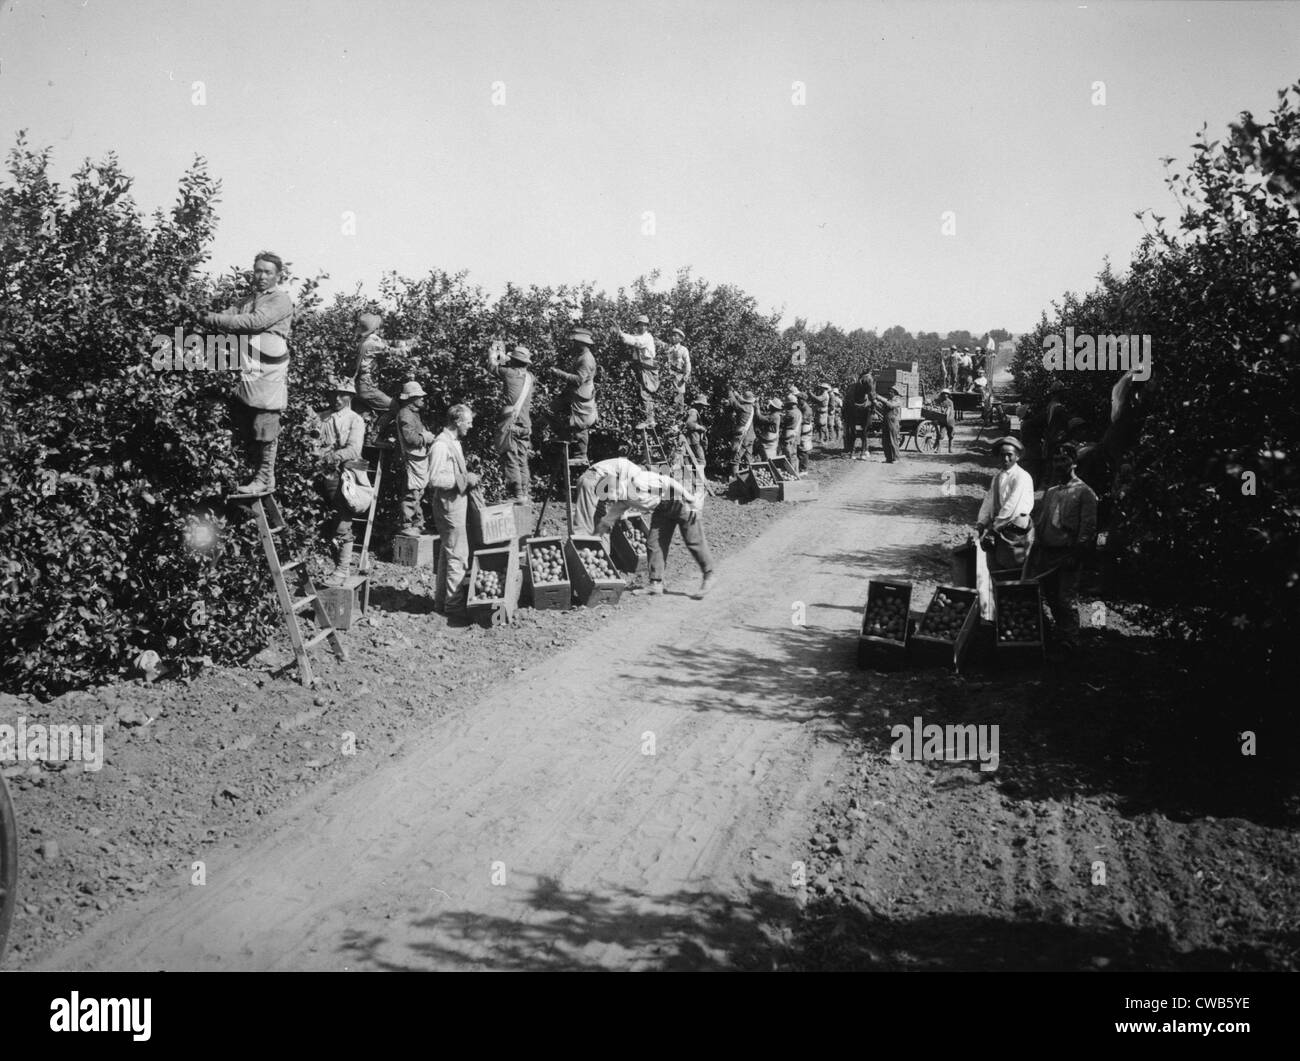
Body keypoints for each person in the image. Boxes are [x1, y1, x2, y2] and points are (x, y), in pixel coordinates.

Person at [194, 251, 294, 494]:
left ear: (278, 276)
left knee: (266, 417)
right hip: (247, 364)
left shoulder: (280, 300)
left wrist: (208, 318)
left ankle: (265, 477)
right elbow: (231, 315)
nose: (261, 276)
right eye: (258, 271)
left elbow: (253, 322)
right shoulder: (247, 300)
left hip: (268, 365)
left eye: (268, 272)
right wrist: (198, 315)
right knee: (243, 417)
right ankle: (250, 472)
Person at [591, 465, 713, 598]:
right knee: (653, 543)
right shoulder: (622, 501)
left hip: (680, 501)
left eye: (613, 493)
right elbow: (606, 522)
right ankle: (655, 584)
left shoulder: (638, 481)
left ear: (618, 485)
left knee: (693, 540)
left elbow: (669, 481)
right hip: (661, 508)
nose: (613, 498)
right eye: (610, 497)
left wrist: (690, 498)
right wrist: (592, 542)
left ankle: (709, 576)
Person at [1024, 443, 1098, 650]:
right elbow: (1042, 521)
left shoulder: (1085, 493)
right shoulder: (1052, 492)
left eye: (1064, 460)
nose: (1059, 465)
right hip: (1047, 554)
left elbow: (1088, 528)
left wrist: (1077, 553)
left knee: (1066, 599)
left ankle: (1071, 641)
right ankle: (1059, 635)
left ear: (1074, 463)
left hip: (1067, 554)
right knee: (1051, 597)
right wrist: (1036, 546)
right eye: (1056, 460)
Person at [428, 403, 482, 616]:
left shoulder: (454, 443)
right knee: (458, 555)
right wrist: (464, 478)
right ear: (457, 421)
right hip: (448, 506)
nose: (470, 426)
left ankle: (442, 604)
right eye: (468, 422)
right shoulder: (440, 446)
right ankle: (454, 606)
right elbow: (434, 479)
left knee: (448, 554)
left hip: (455, 505)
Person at [314, 378, 367, 584]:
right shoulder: (321, 418)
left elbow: (354, 449)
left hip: (343, 475)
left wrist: (330, 456)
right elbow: (311, 442)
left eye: (342, 394)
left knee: (343, 521)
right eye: (333, 394)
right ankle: (336, 565)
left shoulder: (355, 420)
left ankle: (342, 568)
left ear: (350, 396)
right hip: (321, 475)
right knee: (325, 522)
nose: (337, 398)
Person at [976, 436, 1035, 572]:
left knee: (1012, 569)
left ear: (1017, 457)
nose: (1006, 459)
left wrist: (993, 529)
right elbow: (989, 501)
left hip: (1014, 530)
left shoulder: (1021, 476)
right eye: (1002, 455)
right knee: (995, 567)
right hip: (997, 528)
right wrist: (981, 523)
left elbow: (1012, 506)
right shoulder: (998, 477)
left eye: (1009, 455)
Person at [486, 343, 536, 502]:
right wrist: (506, 355)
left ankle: (516, 494)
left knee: (511, 459)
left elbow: (492, 365)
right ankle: (524, 493)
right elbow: (510, 362)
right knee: (522, 460)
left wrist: (494, 352)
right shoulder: (530, 377)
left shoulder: (508, 373)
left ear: (513, 361)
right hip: (525, 425)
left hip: (512, 424)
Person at [548, 328, 598, 465]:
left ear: (582, 343)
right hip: (574, 393)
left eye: (575, 342)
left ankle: (581, 455)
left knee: (580, 424)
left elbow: (578, 380)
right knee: (552, 410)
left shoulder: (586, 359)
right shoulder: (581, 355)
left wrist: (558, 373)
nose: (573, 344)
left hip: (581, 396)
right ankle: (563, 436)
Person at [395, 381, 436, 535]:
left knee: (417, 492)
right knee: (411, 492)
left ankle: (417, 524)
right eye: (420, 397)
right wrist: (425, 437)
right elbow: (410, 438)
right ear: (412, 398)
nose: (422, 399)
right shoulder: (406, 414)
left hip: (417, 458)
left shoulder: (413, 413)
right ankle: (407, 525)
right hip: (411, 459)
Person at [351, 311, 396, 442]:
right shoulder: (372, 343)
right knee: (393, 407)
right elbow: (392, 351)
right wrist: (412, 347)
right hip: (367, 386)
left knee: (366, 416)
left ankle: (365, 439)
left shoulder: (364, 341)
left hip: (361, 385)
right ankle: (374, 436)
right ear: (376, 329)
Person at [613, 314, 659, 429]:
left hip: (647, 366)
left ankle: (649, 419)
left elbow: (637, 342)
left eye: (644, 325)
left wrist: (621, 333)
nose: (642, 327)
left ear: (647, 327)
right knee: (641, 391)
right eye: (640, 325)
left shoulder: (647, 337)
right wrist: (621, 334)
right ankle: (646, 416)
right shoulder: (638, 335)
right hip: (640, 366)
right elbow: (632, 338)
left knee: (646, 392)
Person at [725, 387, 756, 480]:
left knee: (735, 459)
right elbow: (739, 400)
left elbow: (732, 401)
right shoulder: (751, 408)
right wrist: (736, 393)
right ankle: (750, 480)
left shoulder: (742, 408)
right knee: (749, 459)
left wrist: (730, 391)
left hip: (743, 437)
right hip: (751, 437)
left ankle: (735, 481)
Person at [845, 370, 876, 459]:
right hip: (853, 405)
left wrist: (873, 400)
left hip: (866, 404)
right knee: (852, 431)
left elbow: (872, 390)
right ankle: (852, 451)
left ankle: (864, 450)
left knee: (864, 431)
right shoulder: (856, 384)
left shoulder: (870, 379)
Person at [874, 385, 903, 464]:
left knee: (893, 440)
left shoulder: (898, 400)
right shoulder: (889, 400)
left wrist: (879, 397)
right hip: (886, 421)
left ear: (895, 393)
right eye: (889, 391)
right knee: (885, 440)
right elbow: (883, 407)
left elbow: (891, 405)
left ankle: (896, 458)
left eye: (891, 391)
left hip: (893, 422)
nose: (889, 392)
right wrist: (876, 402)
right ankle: (889, 458)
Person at [665, 327, 692, 407]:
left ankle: (678, 416)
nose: (673, 337)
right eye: (672, 335)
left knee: (678, 398)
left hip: (679, 377)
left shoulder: (683, 350)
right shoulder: (668, 349)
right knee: (668, 398)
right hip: (667, 376)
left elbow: (687, 363)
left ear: (680, 339)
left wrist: (687, 374)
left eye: (675, 336)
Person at [684, 395, 709, 468]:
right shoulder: (694, 412)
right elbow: (689, 423)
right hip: (694, 440)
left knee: (689, 460)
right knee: (701, 461)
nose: (703, 407)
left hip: (692, 439)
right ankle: (699, 478)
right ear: (698, 405)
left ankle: (689, 477)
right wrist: (701, 427)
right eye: (702, 405)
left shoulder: (693, 411)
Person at [780, 392, 801, 469]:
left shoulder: (790, 413)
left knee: (788, 454)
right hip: (795, 435)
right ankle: (796, 470)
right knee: (793, 454)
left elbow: (782, 421)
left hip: (789, 435)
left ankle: (791, 471)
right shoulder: (798, 411)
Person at [797, 390, 815, 474]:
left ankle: (804, 469)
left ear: (803, 399)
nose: (797, 400)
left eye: (799, 399)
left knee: (803, 449)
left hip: (805, 428)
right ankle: (802, 467)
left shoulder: (807, 409)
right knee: (801, 448)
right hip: (803, 428)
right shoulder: (802, 407)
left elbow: (802, 419)